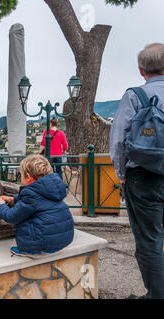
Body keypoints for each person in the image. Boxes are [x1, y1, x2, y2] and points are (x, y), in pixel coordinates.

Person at [110, 43, 164, 299]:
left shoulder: (134, 96)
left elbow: (118, 140)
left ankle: (157, 294)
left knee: (150, 239)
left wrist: (121, 173)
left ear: (141, 70)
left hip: (143, 177)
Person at [0, 155, 74, 259]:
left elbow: (12, 216)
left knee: (22, 219)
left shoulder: (31, 195)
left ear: (29, 177)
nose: (20, 177)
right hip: (63, 240)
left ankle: (30, 251)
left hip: (42, 244)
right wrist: (13, 199)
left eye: (21, 175)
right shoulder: (52, 188)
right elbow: (39, 202)